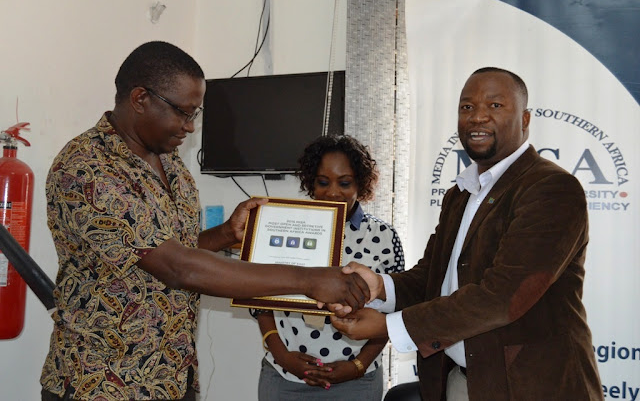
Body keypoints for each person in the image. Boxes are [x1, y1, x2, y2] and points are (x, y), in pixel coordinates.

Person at [39, 41, 370, 401]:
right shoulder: (88, 169)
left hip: (171, 376)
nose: (190, 127)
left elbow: (169, 249)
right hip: (103, 381)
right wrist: (308, 279)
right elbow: (178, 267)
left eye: (195, 113)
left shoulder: (171, 164)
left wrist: (225, 234)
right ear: (140, 99)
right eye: (183, 112)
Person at [331, 67, 604, 400]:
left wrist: (391, 326)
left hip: (532, 388)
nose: (477, 117)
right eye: (467, 107)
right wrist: (379, 286)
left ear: (525, 119)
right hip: (462, 381)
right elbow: (432, 277)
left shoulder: (550, 188)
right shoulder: (460, 193)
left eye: (495, 105)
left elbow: (503, 297)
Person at [255, 135, 405, 400]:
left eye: (344, 183)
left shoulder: (383, 236)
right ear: (311, 182)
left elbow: (394, 310)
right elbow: (260, 301)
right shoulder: (285, 226)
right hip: (284, 377)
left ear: (360, 183)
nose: (333, 192)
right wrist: (283, 357)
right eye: (323, 182)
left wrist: (358, 366)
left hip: (357, 382)